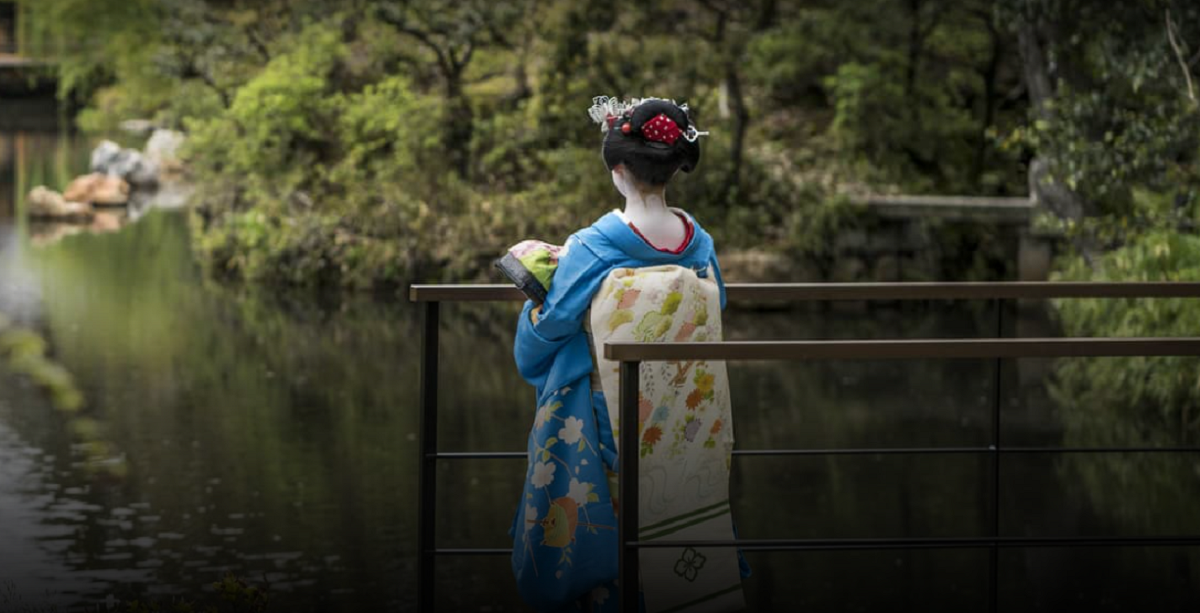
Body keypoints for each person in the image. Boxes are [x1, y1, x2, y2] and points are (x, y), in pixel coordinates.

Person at [508, 97, 747, 613]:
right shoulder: (698, 244)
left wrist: (536, 302)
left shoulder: (593, 246)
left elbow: (543, 340)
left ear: (618, 169)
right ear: (672, 168)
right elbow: (716, 307)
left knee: (613, 540)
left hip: (609, 423)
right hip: (683, 421)